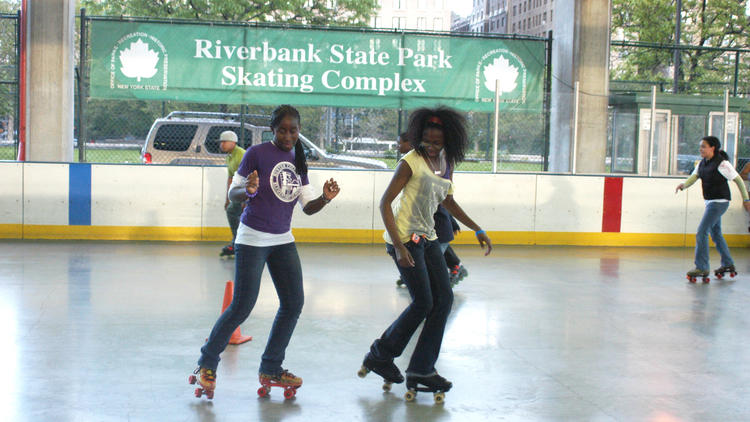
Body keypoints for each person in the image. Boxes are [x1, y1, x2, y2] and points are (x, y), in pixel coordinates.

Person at [192, 105, 341, 398]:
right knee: (242, 305)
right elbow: (233, 194)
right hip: (252, 238)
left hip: (282, 239)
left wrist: (325, 198)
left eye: (293, 130)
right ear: (273, 130)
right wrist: (247, 189)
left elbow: (308, 207)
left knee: (293, 302)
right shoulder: (256, 154)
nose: (288, 136)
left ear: (299, 131)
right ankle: (207, 363)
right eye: (282, 130)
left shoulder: (298, 160)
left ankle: (271, 367)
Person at [359, 107, 492, 400]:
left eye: (437, 141)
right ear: (420, 137)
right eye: (427, 140)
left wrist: (477, 228)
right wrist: (399, 246)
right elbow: (384, 204)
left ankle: (421, 369)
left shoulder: (446, 161)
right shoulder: (410, 161)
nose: (431, 146)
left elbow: (448, 200)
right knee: (423, 302)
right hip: (405, 237)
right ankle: (381, 354)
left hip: (429, 237)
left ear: (448, 140)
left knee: (443, 300)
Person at [393, 133, 469, 288]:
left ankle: (451, 269)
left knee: (431, 256)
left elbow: (442, 201)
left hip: (437, 226)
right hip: (428, 227)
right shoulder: (414, 163)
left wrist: (452, 222)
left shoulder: (430, 166)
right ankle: (417, 274)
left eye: (400, 143)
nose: (398, 146)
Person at [675, 136, 750, 281]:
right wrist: (684, 186)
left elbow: (739, 180)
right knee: (716, 233)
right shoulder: (702, 163)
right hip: (710, 202)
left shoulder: (722, 164)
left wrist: (746, 199)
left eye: (704, 146)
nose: (701, 149)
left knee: (702, 232)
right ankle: (728, 263)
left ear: (712, 148)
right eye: (700, 146)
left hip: (719, 202)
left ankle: (702, 267)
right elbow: (694, 176)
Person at [219, 130, 245, 258]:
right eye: (221, 142)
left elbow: (250, 176)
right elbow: (230, 178)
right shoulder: (229, 157)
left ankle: (239, 243)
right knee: (232, 211)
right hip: (237, 193)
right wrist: (227, 198)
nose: (221, 144)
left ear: (233, 142)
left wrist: (247, 199)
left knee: (235, 213)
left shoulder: (241, 154)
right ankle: (238, 242)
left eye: (224, 141)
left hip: (245, 192)